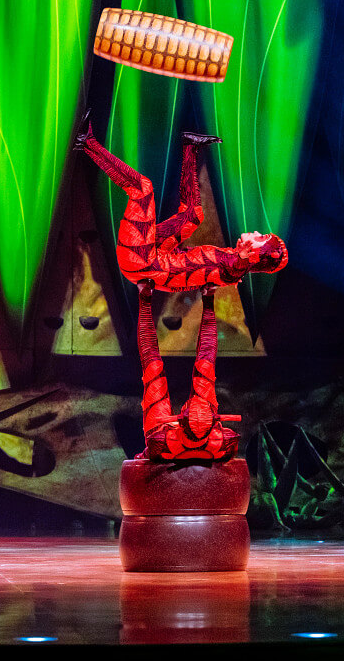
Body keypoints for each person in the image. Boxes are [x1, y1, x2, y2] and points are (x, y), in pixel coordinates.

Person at [75, 124, 288, 461]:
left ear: (255, 254)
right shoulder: (231, 266)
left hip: (142, 261)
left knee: (142, 189)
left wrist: (160, 300)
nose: (257, 232)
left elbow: (202, 346)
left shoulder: (229, 267)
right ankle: (190, 146)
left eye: (261, 238)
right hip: (158, 257)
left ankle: (86, 143)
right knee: (193, 216)